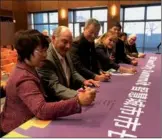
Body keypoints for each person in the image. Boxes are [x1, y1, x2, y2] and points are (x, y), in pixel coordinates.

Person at [0, 29, 96, 135]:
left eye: (46, 50)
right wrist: (78, 101)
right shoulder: (24, 78)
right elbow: (42, 110)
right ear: (27, 51)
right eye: (41, 51)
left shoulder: (27, 67)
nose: (45, 55)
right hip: (16, 129)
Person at [37, 26, 99, 101]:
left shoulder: (64, 51)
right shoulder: (46, 59)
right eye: (65, 42)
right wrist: (78, 95)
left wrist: (84, 81)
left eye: (70, 42)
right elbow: (55, 86)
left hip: (68, 96)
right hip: (56, 102)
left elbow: (73, 72)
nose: (68, 46)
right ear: (53, 39)